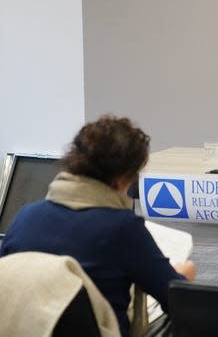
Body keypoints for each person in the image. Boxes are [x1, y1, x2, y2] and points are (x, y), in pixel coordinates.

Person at [0, 115, 196, 337]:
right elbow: (175, 298)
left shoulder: (25, 217)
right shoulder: (122, 229)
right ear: (123, 177)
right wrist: (185, 273)